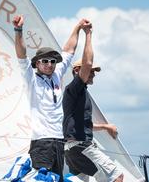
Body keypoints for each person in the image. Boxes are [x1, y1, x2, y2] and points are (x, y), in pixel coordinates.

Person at [12, 14, 92, 182]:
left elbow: (69, 51)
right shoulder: (31, 78)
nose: (50, 64)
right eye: (45, 61)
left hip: (59, 142)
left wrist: (78, 28)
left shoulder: (56, 75)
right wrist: (18, 30)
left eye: (52, 61)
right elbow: (21, 55)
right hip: (41, 143)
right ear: (37, 63)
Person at [62, 23, 124, 182]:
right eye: (91, 72)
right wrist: (88, 34)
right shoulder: (75, 87)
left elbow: (82, 123)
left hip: (72, 150)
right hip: (82, 147)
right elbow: (87, 62)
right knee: (116, 176)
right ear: (77, 71)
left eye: (95, 72)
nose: (93, 74)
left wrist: (105, 126)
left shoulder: (79, 93)